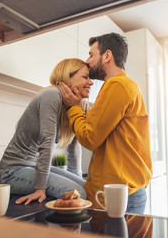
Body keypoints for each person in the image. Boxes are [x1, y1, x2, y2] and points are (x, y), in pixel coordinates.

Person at [58, 32, 153, 213]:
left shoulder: (117, 85)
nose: (87, 61)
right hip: (124, 191)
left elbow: (89, 138)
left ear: (107, 56)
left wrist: (72, 108)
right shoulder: (123, 86)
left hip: (117, 194)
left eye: (92, 54)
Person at [0, 58, 93, 205]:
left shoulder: (74, 106)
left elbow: (73, 149)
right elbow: (46, 143)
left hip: (33, 167)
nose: (91, 82)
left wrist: (77, 181)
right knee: (80, 193)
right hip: (12, 172)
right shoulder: (52, 95)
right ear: (67, 78)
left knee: (88, 189)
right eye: (85, 77)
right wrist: (40, 188)